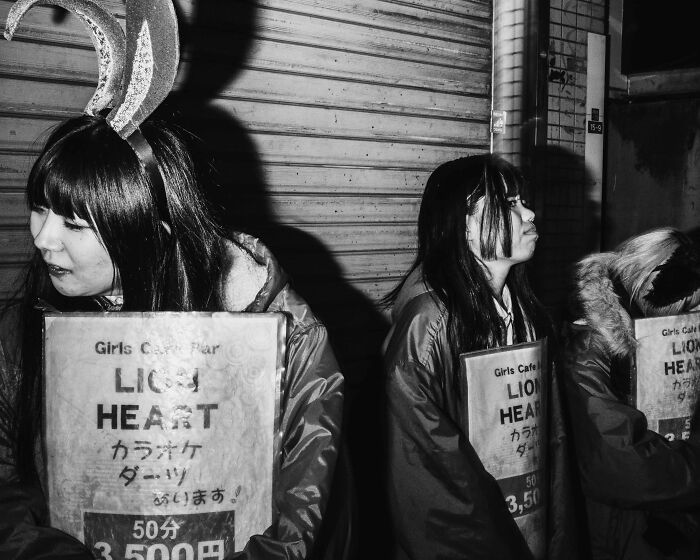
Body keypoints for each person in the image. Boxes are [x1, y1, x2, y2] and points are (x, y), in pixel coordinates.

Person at [0, 113, 348, 560]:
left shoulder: (286, 340)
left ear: (150, 235)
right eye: (40, 207)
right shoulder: (20, 332)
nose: (44, 238)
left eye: (74, 224)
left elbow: (301, 524)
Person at [381, 154, 577, 559]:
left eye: (522, 201)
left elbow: (551, 443)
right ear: (466, 226)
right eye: (508, 204)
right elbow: (428, 482)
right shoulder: (428, 326)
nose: (530, 212)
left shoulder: (529, 316)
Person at [561, 227, 700, 560]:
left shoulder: (660, 332)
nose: (697, 319)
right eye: (693, 307)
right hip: (624, 530)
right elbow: (620, 465)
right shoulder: (590, 348)